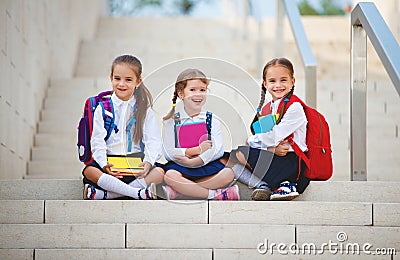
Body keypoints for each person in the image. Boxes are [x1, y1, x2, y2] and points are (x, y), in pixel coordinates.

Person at [82, 54, 164, 200]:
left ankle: (105, 194)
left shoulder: (144, 109)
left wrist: (148, 162)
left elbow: (153, 140)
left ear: (138, 82)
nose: (121, 84)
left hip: (135, 165)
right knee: (89, 171)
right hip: (111, 166)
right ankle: (137, 193)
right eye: (117, 79)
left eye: (128, 80)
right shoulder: (102, 108)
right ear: (111, 78)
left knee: (160, 172)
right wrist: (103, 163)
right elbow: (97, 140)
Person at [231, 57, 310, 201]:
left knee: (240, 154)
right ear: (265, 84)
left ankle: (286, 184)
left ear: (293, 81)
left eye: (283, 80)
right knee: (230, 157)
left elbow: (274, 136)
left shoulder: (295, 107)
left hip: (293, 161)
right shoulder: (270, 108)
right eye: (272, 81)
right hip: (277, 156)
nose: (278, 85)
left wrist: (252, 141)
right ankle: (264, 186)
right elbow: (265, 138)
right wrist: (269, 149)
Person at [159, 68, 239, 200]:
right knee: (170, 176)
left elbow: (217, 149)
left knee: (228, 174)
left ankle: (181, 191)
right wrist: (194, 151)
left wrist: (197, 160)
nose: (198, 94)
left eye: (202, 90)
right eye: (192, 90)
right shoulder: (171, 121)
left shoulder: (211, 119)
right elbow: (168, 152)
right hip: (181, 166)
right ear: (181, 94)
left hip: (206, 164)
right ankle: (215, 195)